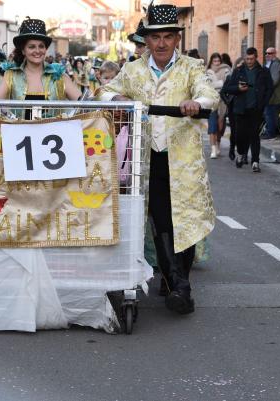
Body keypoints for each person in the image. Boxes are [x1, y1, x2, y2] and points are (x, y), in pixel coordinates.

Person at [97, 3, 219, 315]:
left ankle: (175, 281)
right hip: (147, 159)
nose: (162, 43)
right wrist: (118, 98)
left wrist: (196, 102)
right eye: (155, 37)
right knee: (162, 218)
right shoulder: (133, 69)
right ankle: (180, 286)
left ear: (177, 39)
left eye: (168, 36)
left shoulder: (191, 67)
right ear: (146, 41)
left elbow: (210, 94)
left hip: (183, 158)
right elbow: (104, 92)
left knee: (186, 221)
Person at [0, 17, 81, 108]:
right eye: (31, 47)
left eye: (41, 46)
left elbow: (85, 104)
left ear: (45, 49)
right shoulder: (11, 75)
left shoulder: (59, 76)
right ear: (23, 50)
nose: (37, 51)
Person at [222, 47, 273, 172]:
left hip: (256, 108)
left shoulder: (263, 71)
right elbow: (227, 88)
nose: (249, 61)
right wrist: (238, 88)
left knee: (254, 135)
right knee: (240, 135)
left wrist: (263, 103)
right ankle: (240, 154)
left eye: (251, 59)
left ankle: (255, 161)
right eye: (247, 59)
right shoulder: (238, 70)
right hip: (240, 108)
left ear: (256, 58)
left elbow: (269, 89)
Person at [206, 52, 231, 158]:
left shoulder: (226, 70)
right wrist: (220, 84)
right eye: (214, 61)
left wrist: (217, 85)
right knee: (212, 126)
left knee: (220, 127)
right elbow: (207, 85)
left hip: (222, 101)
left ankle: (218, 144)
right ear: (211, 61)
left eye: (218, 61)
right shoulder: (207, 72)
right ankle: (213, 150)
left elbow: (227, 84)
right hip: (211, 101)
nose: (216, 63)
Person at [263, 47, 280, 139]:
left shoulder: (276, 64)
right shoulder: (270, 64)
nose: (267, 55)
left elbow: (274, 81)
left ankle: (270, 134)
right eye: (266, 53)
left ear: (275, 54)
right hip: (273, 95)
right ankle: (271, 132)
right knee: (270, 114)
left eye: (270, 53)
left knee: (269, 114)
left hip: (275, 95)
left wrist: (265, 88)